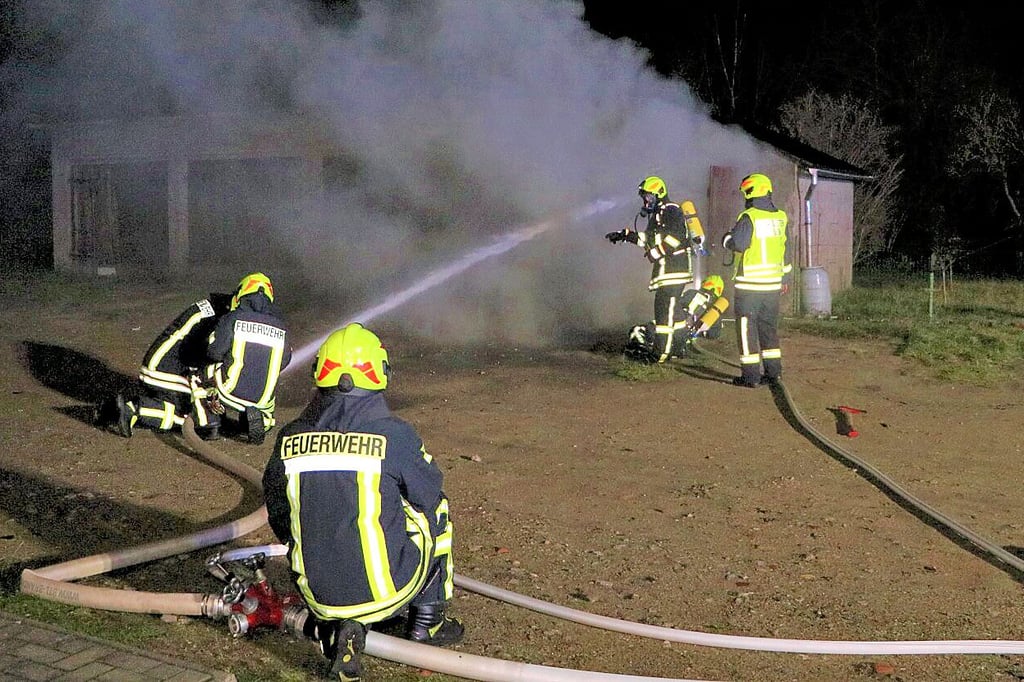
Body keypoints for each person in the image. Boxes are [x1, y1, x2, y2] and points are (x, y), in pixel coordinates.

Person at [262, 322, 463, 681]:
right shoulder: (395, 435)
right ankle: (428, 622)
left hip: (318, 598)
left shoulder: (290, 436)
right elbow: (428, 493)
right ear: (380, 373)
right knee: (436, 511)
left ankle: (344, 624)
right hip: (387, 593)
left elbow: (279, 514)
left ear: (320, 373)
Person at [606, 175, 707, 363]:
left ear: (659, 194)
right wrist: (625, 236)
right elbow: (649, 239)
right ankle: (678, 347)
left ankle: (660, 354)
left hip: (674, 270)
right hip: (668, 271)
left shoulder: (671, 210)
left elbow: (676, 237)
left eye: (648, 196)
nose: (646, 201)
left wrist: (656, 252)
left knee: (663, 310)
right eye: (644, 197)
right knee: (675, 311)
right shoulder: (658, 214)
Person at [109, 289, 232, 440]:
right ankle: (135, 409)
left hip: (161, 362)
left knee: (194, 403)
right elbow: (213, 354)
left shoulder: (214, 308)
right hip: (166, 369)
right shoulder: (224, 318)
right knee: (192, 418)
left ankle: (111, 411)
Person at [202, 272, 292, 444]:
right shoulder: (281, 327)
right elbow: (284, 361)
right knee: (268, 394)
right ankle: (264, 421)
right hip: (262, 398)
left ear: (241, 294)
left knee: (199, 374)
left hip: (229, 392)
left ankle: (210, 420)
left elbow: (214, 352)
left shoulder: (233, 318)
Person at [721, 172, 792, 387]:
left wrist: (727, 239)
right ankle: (773, 373)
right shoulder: (780, 217)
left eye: (746, 192)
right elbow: (786, 251)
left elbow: (739, 244)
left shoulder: (749, 217)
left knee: (746, 330)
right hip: (772, 286)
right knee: (768, 329)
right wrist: (785, 278)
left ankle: (750, 377)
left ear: (751, 192)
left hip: (749, 286)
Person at [624, 274, 729, 363]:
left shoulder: (692, 293)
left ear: (705, 284)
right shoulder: (716, 312)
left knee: (637, 330)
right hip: (683, 345)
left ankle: (643, 350)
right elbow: (714, 334)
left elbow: (674, 305)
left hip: (675, 328)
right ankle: (667, 351)